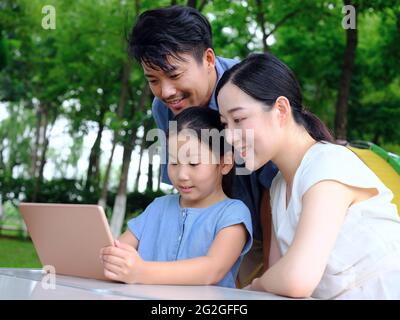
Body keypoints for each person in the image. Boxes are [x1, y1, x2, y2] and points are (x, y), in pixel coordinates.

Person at [216, 52, 400, 299]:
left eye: (238, 119)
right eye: (225, 124)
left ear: (281, 109)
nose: (229, 136)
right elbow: (279, 274)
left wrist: (257, 284)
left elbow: (295, 279)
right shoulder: (278, 186)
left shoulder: (328, 164)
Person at [128, 5, 278, 286]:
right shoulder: (164, 108)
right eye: (153, 80)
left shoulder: (248, 91)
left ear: (208, 59)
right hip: (213, 230)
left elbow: (273, 183)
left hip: (266, 226)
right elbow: (183, 181)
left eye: (174, 75)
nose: (166, 92)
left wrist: (270, 267)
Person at [100, 107, 253, 287]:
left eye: (194, 163)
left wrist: (139, 271)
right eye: (173, 162)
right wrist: (112, 259)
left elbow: (212, 270)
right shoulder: (158, 207)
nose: (182, 175)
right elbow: (117, 251)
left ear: (225, 163)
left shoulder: (233, 214)